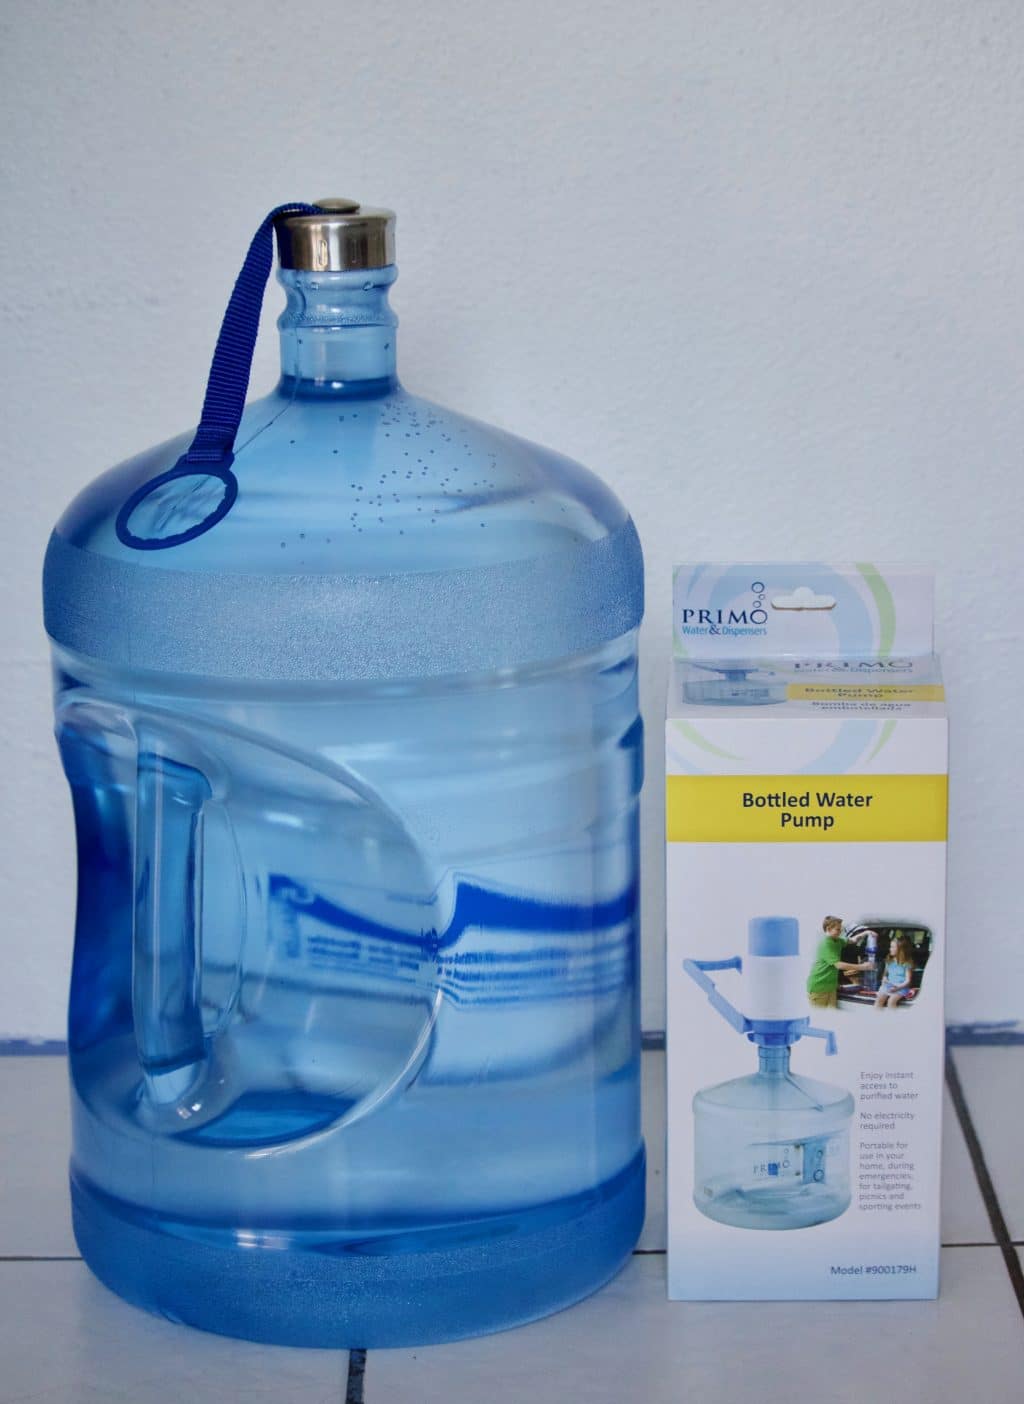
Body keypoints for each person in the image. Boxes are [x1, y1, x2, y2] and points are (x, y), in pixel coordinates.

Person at [806, 916, 873, 1009]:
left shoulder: (837, 940)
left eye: (841, 929)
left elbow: (853, 940)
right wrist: (863, 967)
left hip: (831, 988)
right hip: (819, 989)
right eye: (838, 929)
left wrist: (866, 933)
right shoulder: (826, 944)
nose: (840, 931)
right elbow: (839, 965)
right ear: (828, 929)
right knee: (819, 1020)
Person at [875, 936, 916, 1009]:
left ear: (900, 950)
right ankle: (877, 1018)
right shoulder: (889, 960)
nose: (890, 949)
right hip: (889, 986)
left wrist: (897, 988)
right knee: (878, 1000)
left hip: (901, 988)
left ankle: (894, 1019)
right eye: (890, 947)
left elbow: (908, 981)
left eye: (892, 947)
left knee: (891, 1002)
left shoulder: (907, 963)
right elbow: (885, 974)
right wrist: (884, 979)